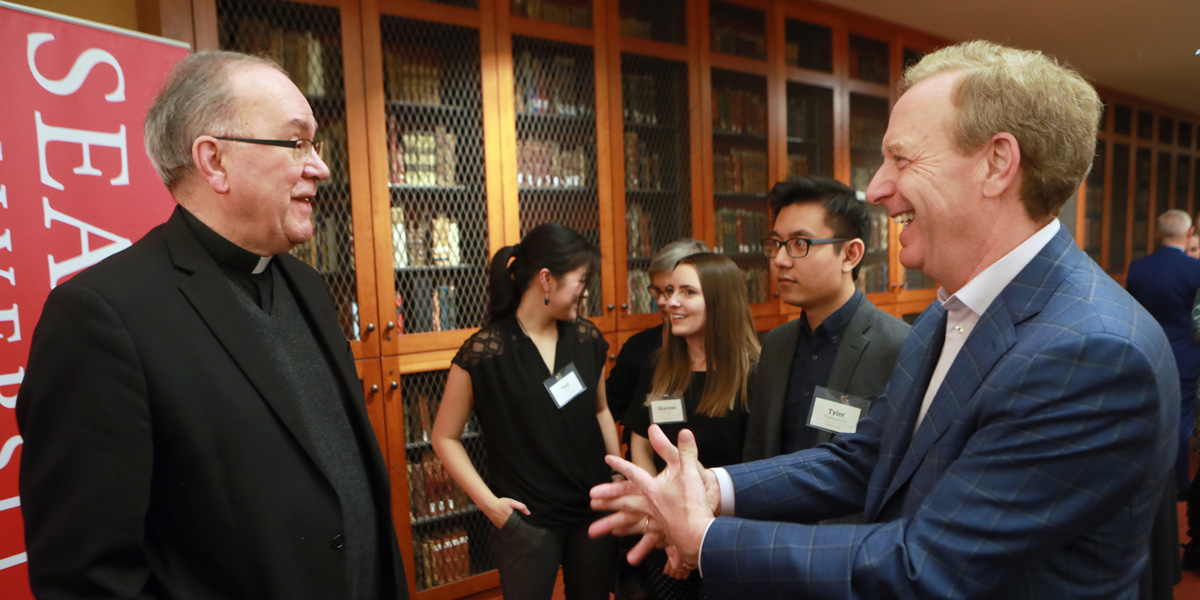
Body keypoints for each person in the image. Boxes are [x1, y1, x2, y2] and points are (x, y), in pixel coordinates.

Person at [590, 40, 1178, 599]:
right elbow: (867, 457)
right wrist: (713, 488)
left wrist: (706, 538)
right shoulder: (946, 314)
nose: (876, 189)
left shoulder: (1090, 350)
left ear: (997, 163)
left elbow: (929, 568)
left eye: (901, 157)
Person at [16, 52, 408, 599]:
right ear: (214, 161)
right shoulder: (100, 317)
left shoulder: (310, 287)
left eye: (315, 145)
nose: (318, 166)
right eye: (296, 143)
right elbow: (87, 577)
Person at [432, 222, 620, 600]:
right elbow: (444, 436)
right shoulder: (485, 353)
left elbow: (601, 410)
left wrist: (617, 473)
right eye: (581, 281)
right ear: (546, 279)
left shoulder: (587, 338)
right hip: (527, 523)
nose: (586, 292)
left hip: (593, 511)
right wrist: (491, 507)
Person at [621, 252, 760, 598]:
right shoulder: (661, 365)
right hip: (661, 532)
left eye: (687, 292)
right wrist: (665, 517)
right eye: (669, 291)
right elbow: (640, 442)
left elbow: (757, 466)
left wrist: (695, 537)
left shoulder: (756, 374)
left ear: (720, 301)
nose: (670, 302)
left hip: (725, 538)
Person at [744, 176, 909, 463]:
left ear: (850, 254)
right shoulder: (776, 343)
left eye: (799, 243)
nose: (780, 259)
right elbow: (758, 450)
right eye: (776, 244)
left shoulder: (899, 345)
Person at [1127, 209, 1200, 495]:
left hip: (1146, 349)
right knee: (1181, 420)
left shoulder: (1137, 268)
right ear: (1189, 233)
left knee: (1146, 414)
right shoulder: (1195, 269)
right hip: (1186, 353)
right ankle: (1178, 483)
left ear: (1156, 234)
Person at [607, 238, 711, 431]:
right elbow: (609, 407)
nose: (665, 302)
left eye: (672, 291)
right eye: (657, 291)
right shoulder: (638, 347)